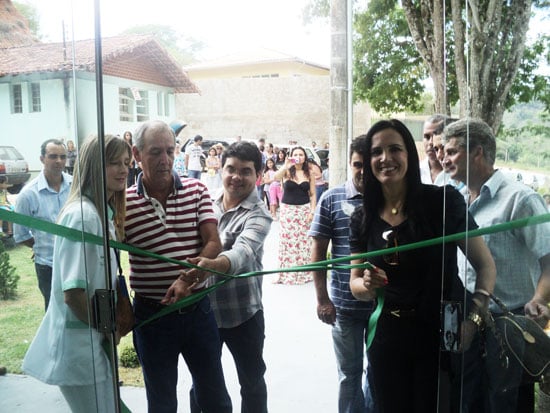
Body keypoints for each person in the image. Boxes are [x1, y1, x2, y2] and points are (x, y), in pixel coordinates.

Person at [348, 119, 496, 413]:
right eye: (377, 152)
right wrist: (366, 285)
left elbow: (486, 266)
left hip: (442, 333)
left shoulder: (442, 202)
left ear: (409, 155)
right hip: (387, 337)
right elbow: (355, 284)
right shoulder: (361, 218)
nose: (385, 158)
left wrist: (473, 320)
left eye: (395, 149)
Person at [442, 118, 550, 413]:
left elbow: (549, 259)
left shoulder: (520, 199)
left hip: (509, 326)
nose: (443, 158)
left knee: (508, 405)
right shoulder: (456, 199)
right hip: (466, 323)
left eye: (451, 151)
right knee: (468, 403)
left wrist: (540, 299)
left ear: (477, 152)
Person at [124, 120, 232, 413]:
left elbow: (213, 243)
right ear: (136, 154)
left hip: (198, 310)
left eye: (170, 151)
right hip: (152, 316)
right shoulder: (123, 203)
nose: (165, 160)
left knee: (214, 397)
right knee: (161, 402)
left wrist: (187, 279)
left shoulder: (196, 189)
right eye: (155, 152)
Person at [22, 134, 131, 412]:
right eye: (113, 163)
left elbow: (98, 284)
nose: (123, 169)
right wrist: (106, 328)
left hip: (93, 341)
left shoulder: (99, 213)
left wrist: (110, 326)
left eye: (126, 162)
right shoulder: (82, 216)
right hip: (80, 348)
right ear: (93, 164)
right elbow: (73, 294)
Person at [184, 141, 272, 413]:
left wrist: (212, 264)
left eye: (245, 171)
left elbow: (242, 253)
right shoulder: (205, 204)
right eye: (230, 169)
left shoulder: (260, 215)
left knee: (252, 381)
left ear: (257, 176)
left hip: (244, 314)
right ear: (220, 170)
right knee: (202, 382)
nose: (236, 177)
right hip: (204, 313)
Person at [309, 135, 376, 413]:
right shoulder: (331, 198)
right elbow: (317, 253)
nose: (363, 172)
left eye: (367, 165)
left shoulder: (388, 198)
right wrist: (322, 300)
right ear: (350, 164)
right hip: (343, 307)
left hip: (380, 307)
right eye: (357, 164)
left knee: (378, 373)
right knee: (349, 374)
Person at [14, 138, 73, 311]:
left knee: (80, 317)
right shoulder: (28, 195)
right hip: (48, 266)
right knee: (54, 316)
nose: (59, 161)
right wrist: (40, 246)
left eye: (62, 157)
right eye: (53, 156)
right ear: (42, 159)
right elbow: (21, 235)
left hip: (77, 263)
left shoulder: (75, 185)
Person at [273, 146, 316, 285]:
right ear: (291, 156)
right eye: (296, 154)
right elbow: (275, 177)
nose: (298, 157)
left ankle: (303, 272)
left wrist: (312, 211)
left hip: (304, 210)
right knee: (288, 241)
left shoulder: (309, 173)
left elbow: (313, 194)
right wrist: (285, 166)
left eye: (301, 154)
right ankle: (286, 272)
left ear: (305, 157)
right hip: (288, 211)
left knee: (303, 242)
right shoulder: (286, 171)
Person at [420, 114, 456, 185]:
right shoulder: (414, 171)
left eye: (436, 135)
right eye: (427, 137)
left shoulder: (459, 173)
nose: (431, 142)